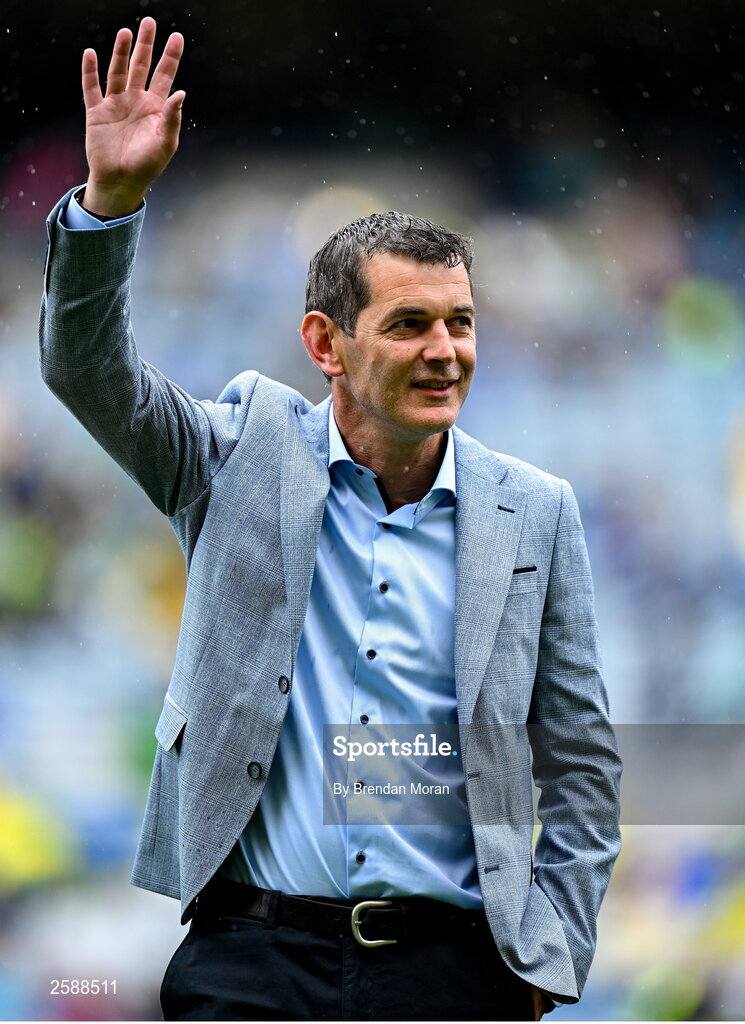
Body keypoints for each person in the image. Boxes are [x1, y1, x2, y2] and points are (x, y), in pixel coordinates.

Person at [39, 16, 622, 1022]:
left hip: (455, 974)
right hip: (251, 959)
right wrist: (111, 205)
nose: (446, 350)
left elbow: (578, 760)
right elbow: (87, 373)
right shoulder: (233, 453)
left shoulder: (535, 512)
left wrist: (548, 955)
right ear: (326, 342)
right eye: (408, 324)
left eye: (461, 322)